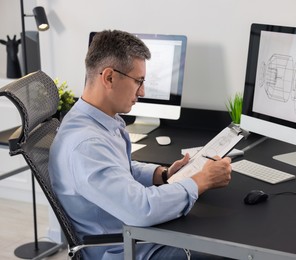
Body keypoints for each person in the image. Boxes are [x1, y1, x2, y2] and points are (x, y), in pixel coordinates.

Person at [48, 29, 232, 260]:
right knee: (230, 250)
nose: (142, 91)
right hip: (127, 249)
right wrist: (200, 181)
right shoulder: (87, 144)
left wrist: (162, 174)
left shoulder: (96, 120)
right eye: (139, 81)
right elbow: (141, 209)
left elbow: (118, 170)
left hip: (134, 237)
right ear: (109, 77)